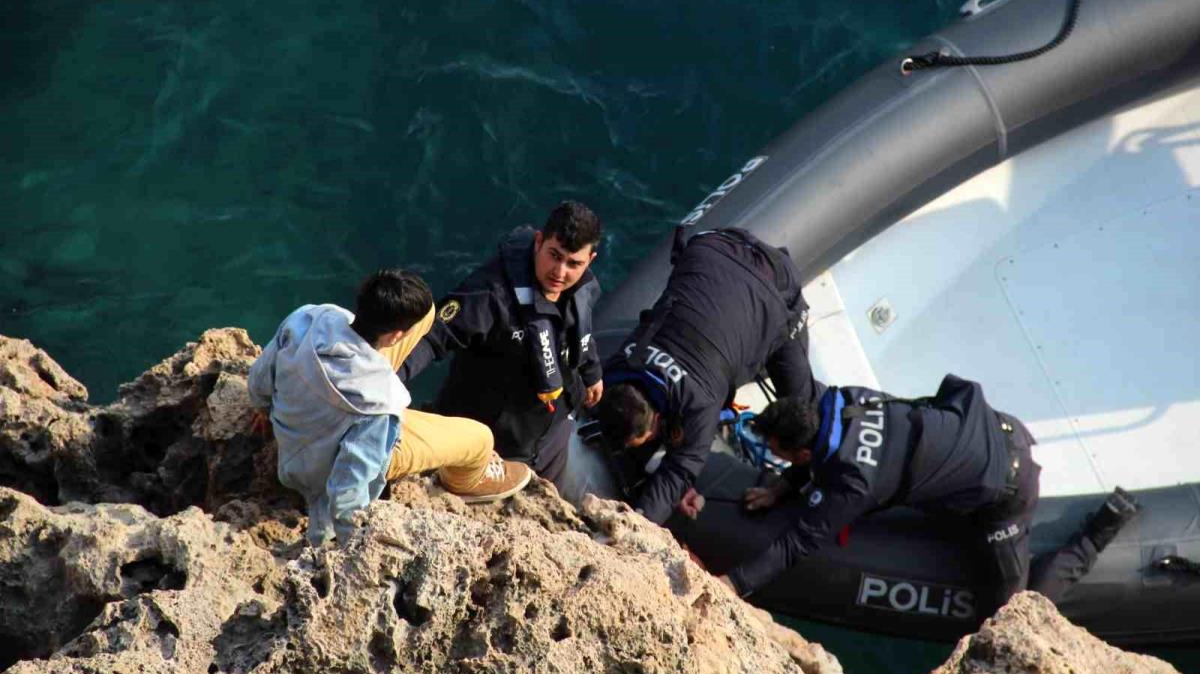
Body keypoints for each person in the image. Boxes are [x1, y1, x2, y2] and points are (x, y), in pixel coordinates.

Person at [722, 376, 1140, 617]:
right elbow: (821, 452)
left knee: (1015, 611)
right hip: (995, 426)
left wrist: (733, 583)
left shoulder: (853, 484)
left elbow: (796, 543)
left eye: (780, 453)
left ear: (801, 453)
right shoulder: (846, 398)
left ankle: (1096, 534)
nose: (778, 459)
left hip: (1007, 489)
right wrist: (783, 487)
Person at [247, 268, 532, 546]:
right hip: (313, 472)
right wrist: (343, 539)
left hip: (300, 428)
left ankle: (372, 365)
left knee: (427, 313)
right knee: (480, 438)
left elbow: (261, 373)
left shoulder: (311, 317)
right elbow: (349, 485)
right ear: (396, 336)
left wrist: (262, 409)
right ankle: (465, 483)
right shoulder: (381, 407)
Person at [595, 226, 817, 525]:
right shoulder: (625, 358)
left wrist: (638, 524)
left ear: (658, 420)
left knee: (802, 413)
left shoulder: (700, 403)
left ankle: (798, 480)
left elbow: (680, 471)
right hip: (716, 244)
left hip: (775, 284)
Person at [398, 202, 603, 487]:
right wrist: (388, 383)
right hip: (490, 446)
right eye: (554, 255)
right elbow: (433, 338)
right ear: (539, 242)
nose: (559, 271)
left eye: (573, 264)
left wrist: (592, 372)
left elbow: (580, 332)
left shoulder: (580, 289)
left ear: (589, 260)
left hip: (550, 438)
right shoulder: (490, 294)